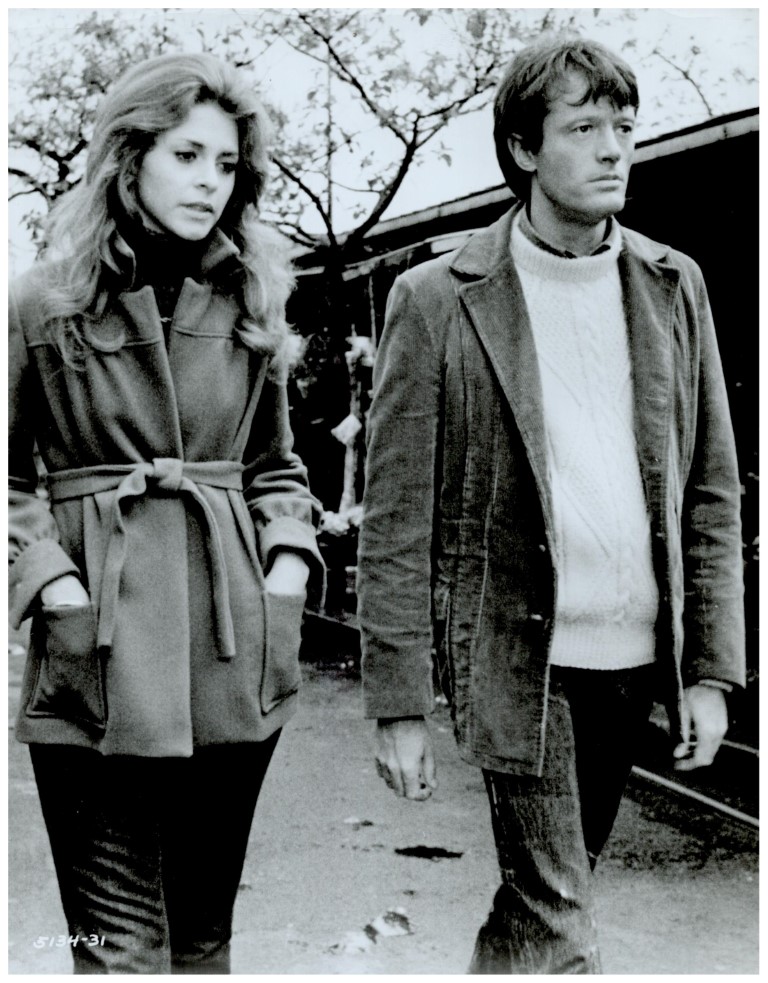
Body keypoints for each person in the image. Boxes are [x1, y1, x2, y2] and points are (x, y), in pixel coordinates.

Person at [357, 37, 745, 974]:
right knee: (563, 920)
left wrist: (710, 669)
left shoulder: (673, 283)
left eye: (624, 126)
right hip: (517, 662)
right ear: (524, 148)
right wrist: (397, 701)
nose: (614, 149)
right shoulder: (437, 297)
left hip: (635, 658)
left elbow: (710, 487)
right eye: (584, 128)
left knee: (536, 912)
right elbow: (397, 515)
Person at [9, 52, 323, 974]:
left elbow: (276, 464)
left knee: (202, 942)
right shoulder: (39, 303)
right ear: (129, 157)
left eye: (225, 164)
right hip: (96, 657)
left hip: (233, 653)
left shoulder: (252, 297)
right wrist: (55, 587)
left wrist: (286, 574)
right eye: (186, 156)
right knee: (115, 951)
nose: (208, 182)